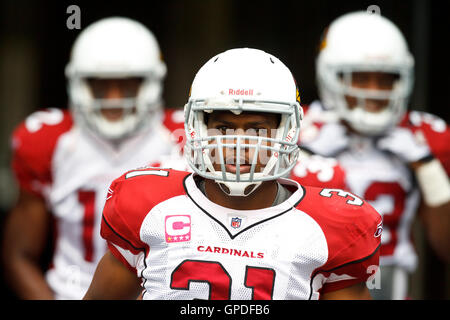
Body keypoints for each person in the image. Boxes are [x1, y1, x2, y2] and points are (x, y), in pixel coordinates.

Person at [84, 48, 382, 300]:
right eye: (224, 128)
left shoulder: (329, 226)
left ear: (288, 130)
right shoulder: (148, 205)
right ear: (195, 127)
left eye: (256, 129)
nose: (238, 144)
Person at [2, 17, 184, 300]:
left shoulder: (182, 141)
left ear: (151, 83)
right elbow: (20, 254)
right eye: (100, 85)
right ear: (77, 83)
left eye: (127, 85)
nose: (113, 98)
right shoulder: (49, 141)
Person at [299, 11, 450, 299]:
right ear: (329, 75)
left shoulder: (423, 136)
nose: (374, 92)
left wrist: (427, 167)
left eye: (385, 80)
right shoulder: (295, 129)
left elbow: (446, 248)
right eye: (360, 78)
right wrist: (302, 158)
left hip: (393, 285)